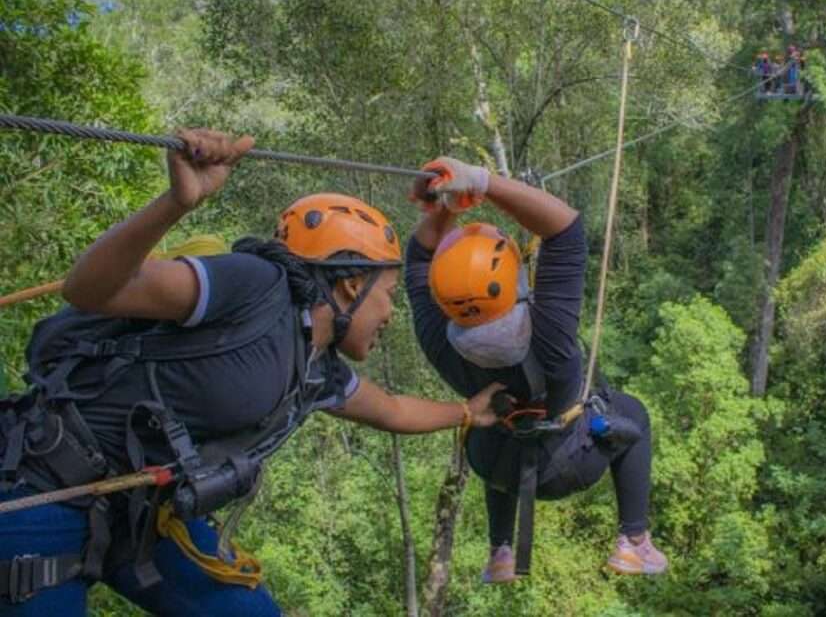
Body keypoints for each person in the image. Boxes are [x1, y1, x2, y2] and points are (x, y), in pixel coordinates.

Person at [0, 129, 500, 615]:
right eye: (388, 294)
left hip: (142, 516)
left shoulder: (315, 369)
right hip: (43, 489)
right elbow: (92, 289)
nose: (390, 314)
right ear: (351, 282)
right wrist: (178, 202)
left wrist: (466, 412)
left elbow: (391, 410)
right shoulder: (257, 288)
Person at [405, 157, 667, 583]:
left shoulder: (437, 337)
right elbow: (565, 229)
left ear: (439, 290)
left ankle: (500, 551)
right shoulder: (548, 331)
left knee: (491, 418)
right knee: (632, 411)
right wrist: (481, 183)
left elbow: (418, 257)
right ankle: (634, 542)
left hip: (499, 468)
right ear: (513, 279)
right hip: (569, 466)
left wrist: (447, 206)